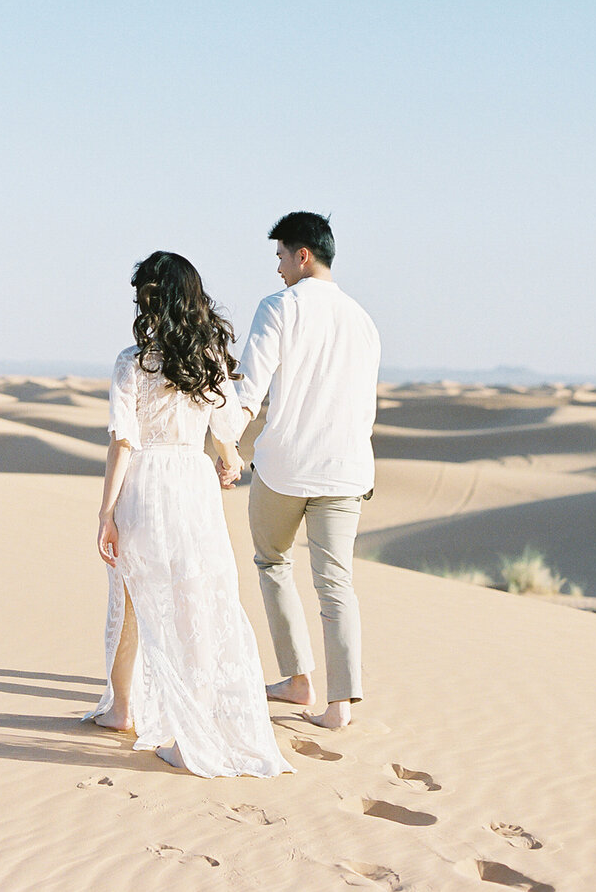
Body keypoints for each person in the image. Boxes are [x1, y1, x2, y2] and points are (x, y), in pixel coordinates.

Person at [85, 251, 292, 778]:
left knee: (132, 598)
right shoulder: (209, 361)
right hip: (193, 485)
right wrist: (227, 464)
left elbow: (122, 440)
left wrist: (106, 511)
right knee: (193, 601)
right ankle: (186, 728)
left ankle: (122, 709)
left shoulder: (132, 361)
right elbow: (226, 433)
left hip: (147, 485)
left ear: (154, 298)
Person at [231, 212, 381, 731]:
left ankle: (297, 679)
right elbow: (366, 406)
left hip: (285, 466)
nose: (276, 268)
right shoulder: (364, 320)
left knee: (272, 561)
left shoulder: (279, 308)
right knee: (336, 583)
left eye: (280, 256)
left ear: (303, 256)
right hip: (346, 469)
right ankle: (340, 705)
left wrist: (225, 444)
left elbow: (250, 388)